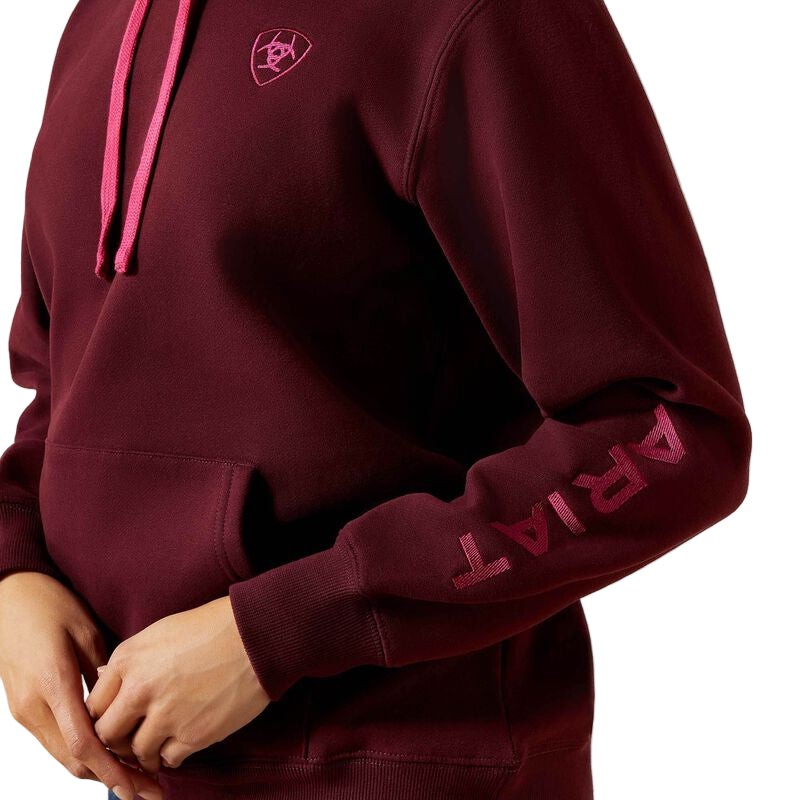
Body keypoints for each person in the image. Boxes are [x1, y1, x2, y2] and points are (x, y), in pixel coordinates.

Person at [0, 0, 751, 798]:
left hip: (404, 764)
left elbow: (668, 429)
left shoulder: (481, 14)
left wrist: (284, 629)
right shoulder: (103, 19)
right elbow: (69, 379)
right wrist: (16, 566)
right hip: (157, 770)